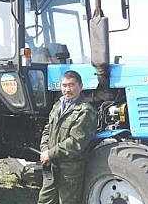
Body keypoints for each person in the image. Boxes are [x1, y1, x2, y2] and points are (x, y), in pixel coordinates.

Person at [37, 70, 97, 204]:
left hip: (70, 171)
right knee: (44, 200)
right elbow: (48, 129)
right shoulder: (58, 106)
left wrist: (50, 153)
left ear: (80, 87)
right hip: (51, 166)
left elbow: (76, 142)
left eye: (71, 85)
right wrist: (45, 150)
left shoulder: (85, 111)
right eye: (64, 85)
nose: (67, 89)